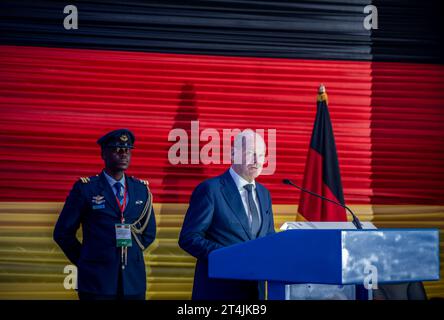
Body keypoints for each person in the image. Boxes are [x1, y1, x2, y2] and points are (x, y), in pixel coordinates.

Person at [53, 129, 156, 300]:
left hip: (133, 281)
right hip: (96, 282)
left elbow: (149, 232)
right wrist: (88, 260)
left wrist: (130, 253)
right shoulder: (86, 188)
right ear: (104, 153)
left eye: (127, 150)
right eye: (117, 149)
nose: (124, 154)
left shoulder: (141, 189)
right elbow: (62, 233)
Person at [179, 129, 275, 300]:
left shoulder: (264, 193)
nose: (257, 161)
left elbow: (269, 237)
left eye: (261, 155)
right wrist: (228, 256)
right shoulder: (211, 189)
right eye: (251, 153)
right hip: (219, 291)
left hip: (255, 293)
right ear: (233, 153)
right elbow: (189, 238)